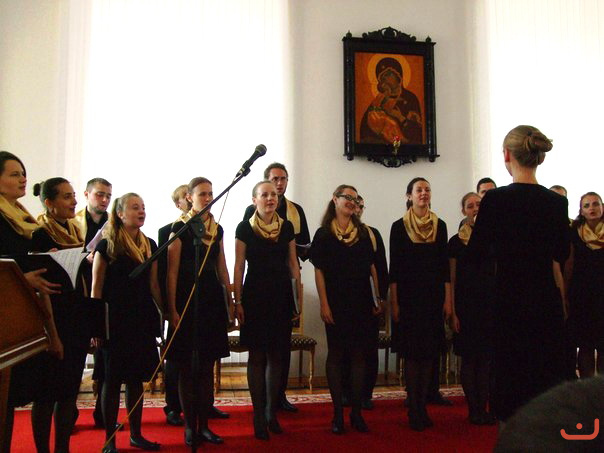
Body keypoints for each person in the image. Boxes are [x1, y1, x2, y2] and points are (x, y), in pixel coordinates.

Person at [467, 125, 569, 425]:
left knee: (510, 382)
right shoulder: (556, 202)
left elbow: (475, 255)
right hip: (545, 302)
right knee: (542, 379)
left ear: (506, 156)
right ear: (540, 157)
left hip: (507, 301)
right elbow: (562, 252)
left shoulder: (495, 200)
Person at [0, 151, 62, 452]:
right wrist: (23, 279)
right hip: (5, 317)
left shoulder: (20, 218)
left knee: (8, 400)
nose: (23, 179)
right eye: (14, 174)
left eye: (23, 173)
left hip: (21, 322)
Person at [91, 193, 162, 453]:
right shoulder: (107, 245)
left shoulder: (149, 244)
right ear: (120, 214)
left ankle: (136, 434)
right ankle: (110, 439)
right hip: (114, 321)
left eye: (143, 207)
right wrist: (95, 326)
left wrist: (166, 313)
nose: (141, 211)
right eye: (135, 208)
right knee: (111, 382)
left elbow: (153, 285)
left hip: (141, 319)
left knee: (135, 380)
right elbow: (96, 289)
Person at [165, 177, 233, 446]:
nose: (207, 198)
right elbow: (171, 273)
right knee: (186, 367)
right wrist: (171, 309)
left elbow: (222, 266)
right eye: (202, 194)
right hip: (186, 300)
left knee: (206, 366)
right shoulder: (179, 229)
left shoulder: (217, 229)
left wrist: (230, 301)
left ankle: (204, 425)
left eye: (210, 194)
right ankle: (189, 427)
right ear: (189, 197)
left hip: (211, 301)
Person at [311, 184, 383, 434]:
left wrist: (376, 298)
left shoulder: (362, 233)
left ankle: (356, 412)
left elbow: (372, 268)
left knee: (358, 356)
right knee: (337, 355)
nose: (352, 202)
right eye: (347, 197)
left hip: (361, 301)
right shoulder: (323, 234)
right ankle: (338, 414)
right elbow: (318, 270)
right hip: (336, 303)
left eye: (355, 198)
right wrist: (324, 303)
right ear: (335, 200)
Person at [234, 180, 301, 440]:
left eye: (273, 195)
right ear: (255, 200)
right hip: (255, 296)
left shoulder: (287, 227)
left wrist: (296, 299)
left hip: (281, 295)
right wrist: (237, 301)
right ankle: (258, 415)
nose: (270, 198)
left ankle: (271, 412)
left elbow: (293, 264)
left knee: (277, 355)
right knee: (257, 356)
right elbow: (239, 265)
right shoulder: (244, 227)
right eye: (264, 195)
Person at [243, 162, 310, 413]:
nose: (280, 184)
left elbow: (304, 244)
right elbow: (245, 251)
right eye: (275, 179)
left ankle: (278, 396)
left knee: (281, 348)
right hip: (258, 284)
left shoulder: (295, 211)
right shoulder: (250, 213)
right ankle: (261, 403)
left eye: (283, 179)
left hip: (284, 281)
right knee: (260, 351)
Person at [30, 178, 90, 453]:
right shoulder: (39, 234)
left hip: (76, 317)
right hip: (53, 317)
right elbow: (41, 285)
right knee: (46, 393)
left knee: (68, 392)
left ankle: (62, 448)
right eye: (66, 197)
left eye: (74, 195)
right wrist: (51, 333)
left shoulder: (76, 230)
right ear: (49, 203)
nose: (74, 202)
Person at [389, 177, 450, 431]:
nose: (423, 193)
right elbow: (394, 269)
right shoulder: (398, 227)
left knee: (429, 355)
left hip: (433, 298)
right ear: (409, 196)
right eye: (419, 190)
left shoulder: (440, 225)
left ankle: (423, 405)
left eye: (427, 189)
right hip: (408, 299)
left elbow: (445, 268)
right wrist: (394, 303)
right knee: (413, 356)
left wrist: (448, 299)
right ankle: (413, 408)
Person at [448, 192, 496, 425]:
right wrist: (453, 311)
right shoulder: (455, 242)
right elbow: (452, 279)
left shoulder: (493, 238)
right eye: (470, 205)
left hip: (489, 305)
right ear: (464, 211)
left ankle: (483, 408)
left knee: (486, 361)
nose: (475, 208)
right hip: (466, 307)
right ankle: (473, 409)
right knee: (469, 360)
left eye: (479, 204)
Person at [341, 195, 388, 410]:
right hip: (345, 300)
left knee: (368, 348)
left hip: (369, 300)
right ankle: (345, 392)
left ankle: (365, 393)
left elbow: (381, 268)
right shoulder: (337, 231)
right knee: (345, 349)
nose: (357, 209)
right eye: (354, 205)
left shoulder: (372, 234)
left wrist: (381, 298)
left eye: (360, 206)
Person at [74, 177, 112, 429]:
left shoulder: (113, 223)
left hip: (103, 297)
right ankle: (69, 414)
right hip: (78, 295)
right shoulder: (73, 223)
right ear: (87, 194)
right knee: (76, 357)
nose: (104, 200)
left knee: (104, 360)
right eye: (99, 194)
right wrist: (84, 257)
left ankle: (103, 413)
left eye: (108, 195)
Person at [157, 184, 189, 428]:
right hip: (178, 299)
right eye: (185, 197)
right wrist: (168, 307)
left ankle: (203, 403)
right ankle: (173, 406)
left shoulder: (211, 229)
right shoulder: (168, 231)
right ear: (179, 204)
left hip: (203, 300)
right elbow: (164, 271)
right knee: (176, 356)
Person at [565, 192, 604, 378]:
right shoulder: (574, 232)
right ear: (581, 211)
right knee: (585, 345)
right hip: (582, 297)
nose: (592, 208)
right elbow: (569, 264)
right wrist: (565, 293)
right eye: (587, 205)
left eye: (595, 204)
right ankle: (587, 388)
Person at [360, 57, 423, 144]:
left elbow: (417, 134)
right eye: (382, 78)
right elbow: (364, 131)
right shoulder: (379, 100)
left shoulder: (410, 98)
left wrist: (400, 118)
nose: (385, 79)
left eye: (388, 74)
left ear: (398, 76)